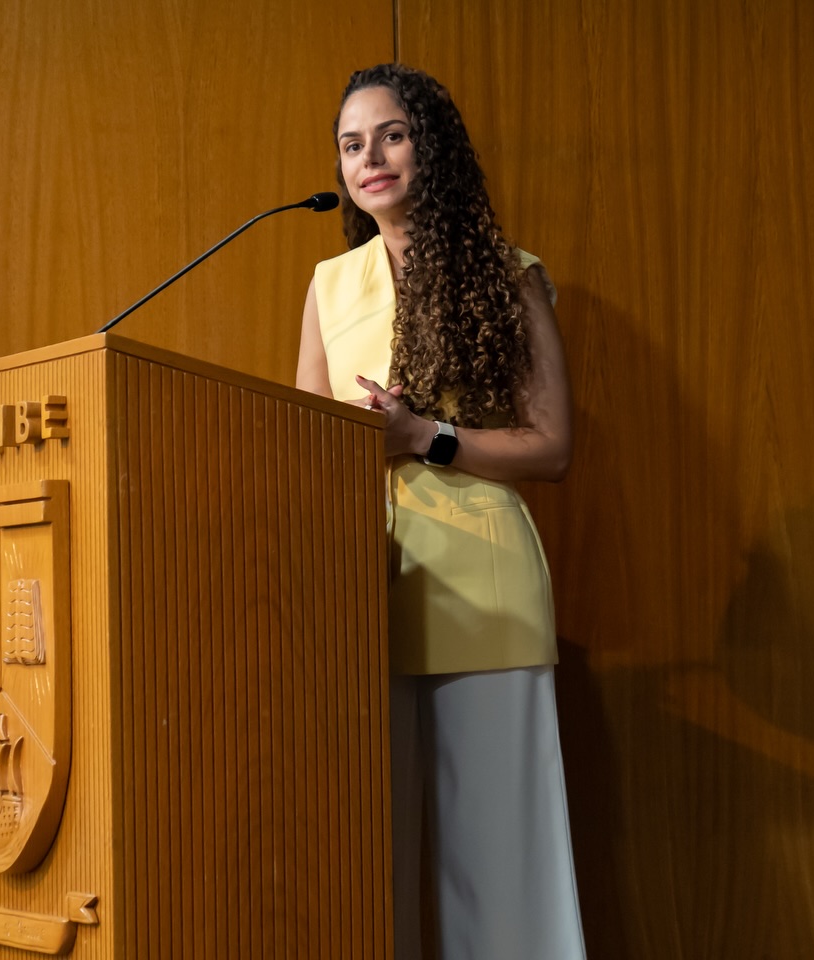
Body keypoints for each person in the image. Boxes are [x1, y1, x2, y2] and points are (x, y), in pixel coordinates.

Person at [296, 63, 588, 960]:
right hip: (362, 591)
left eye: (392, 134)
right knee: (364, 867)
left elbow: (552, 444)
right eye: (352, 145)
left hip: (485, 589)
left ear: (433, 145)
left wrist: (426, 435)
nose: (370, 158)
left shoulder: (507, 274)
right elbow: (301, 439)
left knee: (500, 868)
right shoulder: (328, 284)